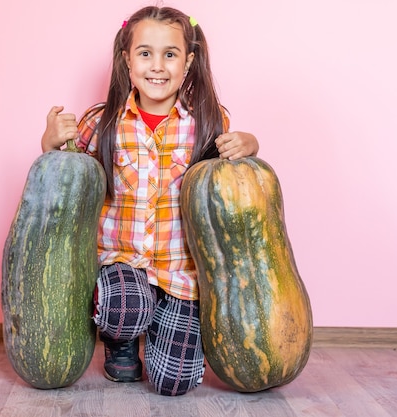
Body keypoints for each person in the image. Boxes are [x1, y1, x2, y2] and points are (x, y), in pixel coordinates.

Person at [40, 6, 259, 396]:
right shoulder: (101, 122)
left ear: (188, 62)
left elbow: (231, 179)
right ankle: (121, 340)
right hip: (121, 262)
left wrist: (251, 144)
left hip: (180, 272)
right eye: (145, 53)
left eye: (170, 54)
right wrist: (50, 142)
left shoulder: (209, 122)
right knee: (125, 306)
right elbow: (64, 176)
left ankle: (168, 325)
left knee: (174, 383)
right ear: (127, 60)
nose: (157, 66)